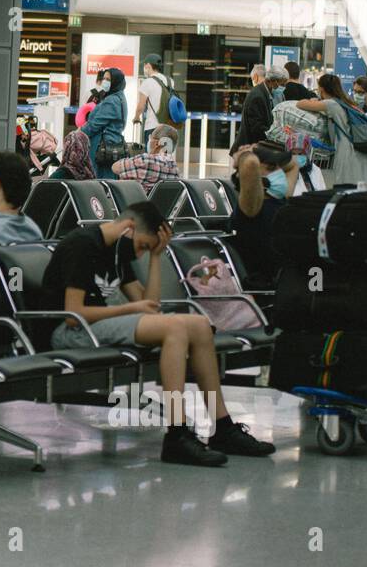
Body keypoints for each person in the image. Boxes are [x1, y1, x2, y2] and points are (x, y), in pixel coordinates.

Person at [43, 201, 275, 466]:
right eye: (143, 246)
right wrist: (131, 308)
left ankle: (223, 427)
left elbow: (149, 308)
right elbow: (74, 314)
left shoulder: (118, 252)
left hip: (96, 328)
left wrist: (155, 258)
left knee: (199, 324)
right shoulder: (82, 246)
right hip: (69, 331)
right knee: (175, 328)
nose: (140, 253)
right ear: (128, 229)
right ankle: (176, 435)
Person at [227, 141, 299, 290]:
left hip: (288, 279)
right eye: (272, 167)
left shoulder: (280, 198)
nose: (280, 171)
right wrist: (244, 155)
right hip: (268, 287)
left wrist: (270, 156)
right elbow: (250, 164)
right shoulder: (251, 207)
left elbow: (293, 165)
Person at [295, 73, 367, 186]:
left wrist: (315, 100)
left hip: (348, 154)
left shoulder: (331, 104)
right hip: (362, 151)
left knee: (345, 189)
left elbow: (300, 104)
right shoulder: (348, 103)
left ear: (321, 88)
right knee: (361, 189)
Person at [82, 67, 127, 180]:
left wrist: (79, 132)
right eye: (104, 78)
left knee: (101, 181)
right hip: (111, 144)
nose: (105, 81)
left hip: (103, 147)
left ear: (115, 81)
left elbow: (94, 125)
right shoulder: (119, 97)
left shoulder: (112, 100)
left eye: (108, 79)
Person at [113, 124, 181, 193]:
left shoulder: (145, 160)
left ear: (158, 143)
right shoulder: (175, 168)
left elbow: (115, 167)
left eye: (150, 137)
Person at [238, 64, 286, 149]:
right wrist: (276, 135)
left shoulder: (266, 94)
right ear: (272, 81)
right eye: (282, 84)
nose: (283, 87)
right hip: (248, 150)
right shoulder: (257, 96)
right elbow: (257, 127)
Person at [133, 54, 173, 146]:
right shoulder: (170, 81)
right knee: (164, 156)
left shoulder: (147, 82)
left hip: (152, 126)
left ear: (148, 65)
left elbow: (141, 106)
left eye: (145, 65)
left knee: (151, 157)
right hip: (167, 127)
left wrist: (136, 117)